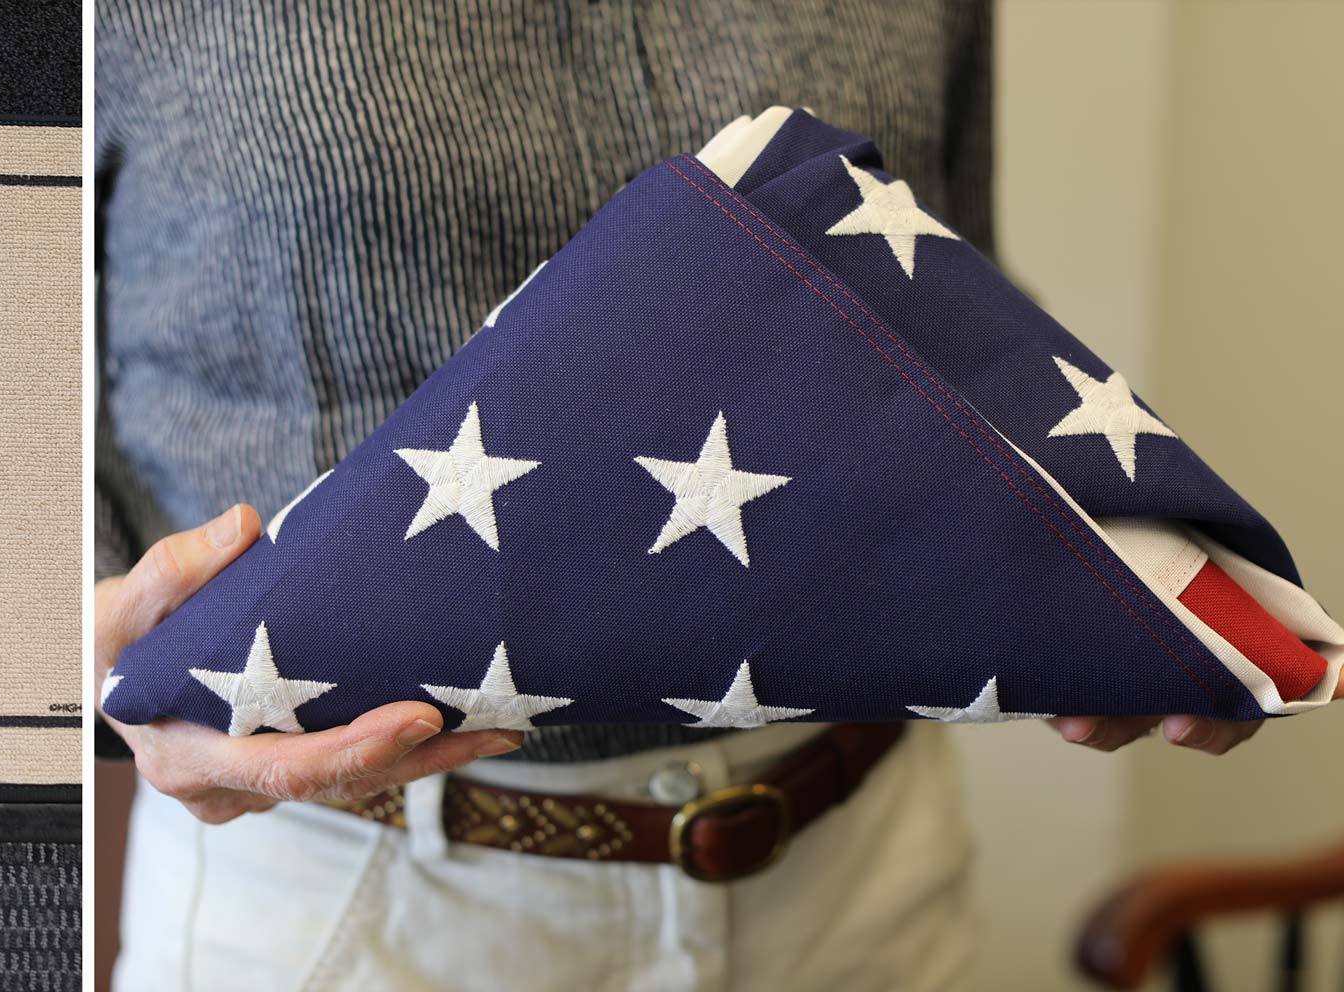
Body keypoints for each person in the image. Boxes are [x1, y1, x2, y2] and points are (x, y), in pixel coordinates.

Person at [94, 3, 1265, 988]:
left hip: (863, 872)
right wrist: (82, 654)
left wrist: (1116, 591)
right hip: (351, 905)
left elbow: (941, 308)